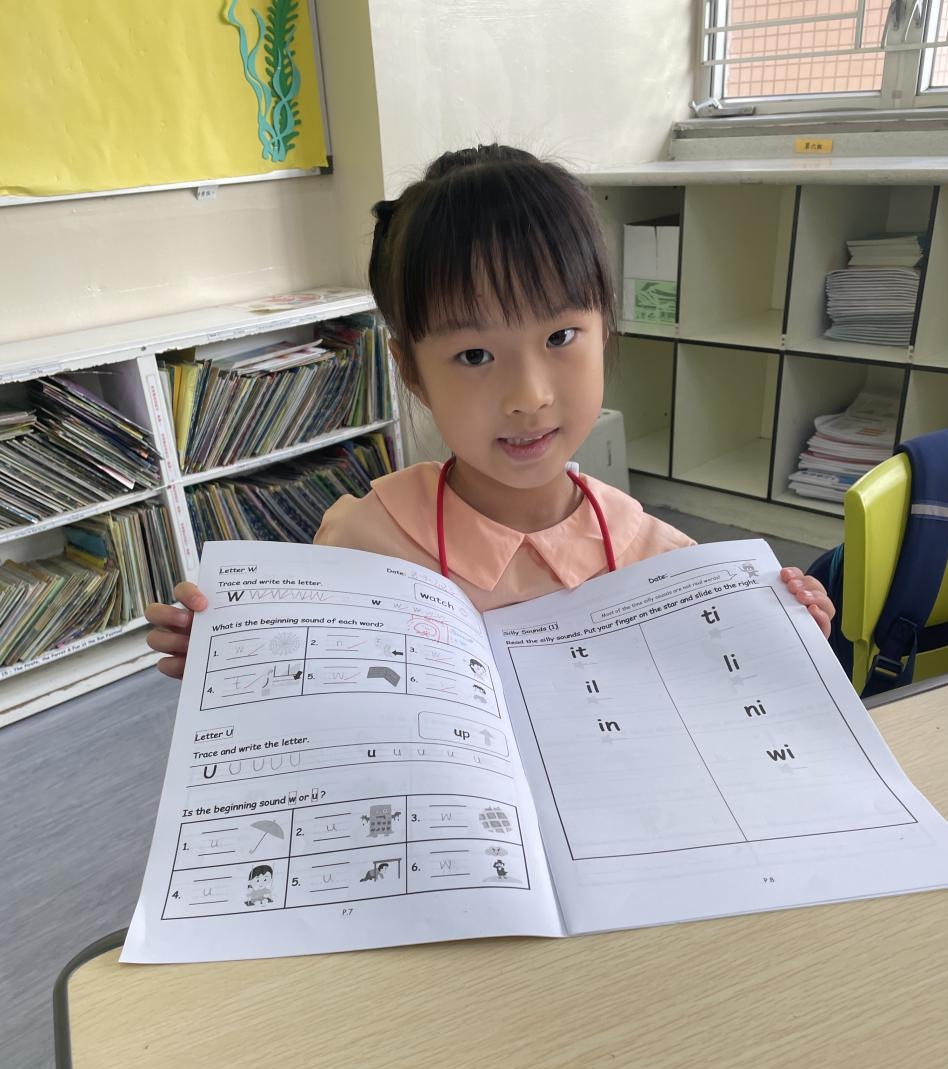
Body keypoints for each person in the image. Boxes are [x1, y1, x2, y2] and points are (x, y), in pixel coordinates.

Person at [145, 144, 833, 677]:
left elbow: (719, 696)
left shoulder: (659, 557)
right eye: (474, 355)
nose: (528, 395)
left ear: (605, 332)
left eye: (560, 337)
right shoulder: (365, 541)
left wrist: (783, 628)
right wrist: (236, 657)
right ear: (412, 371)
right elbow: (321, 687)